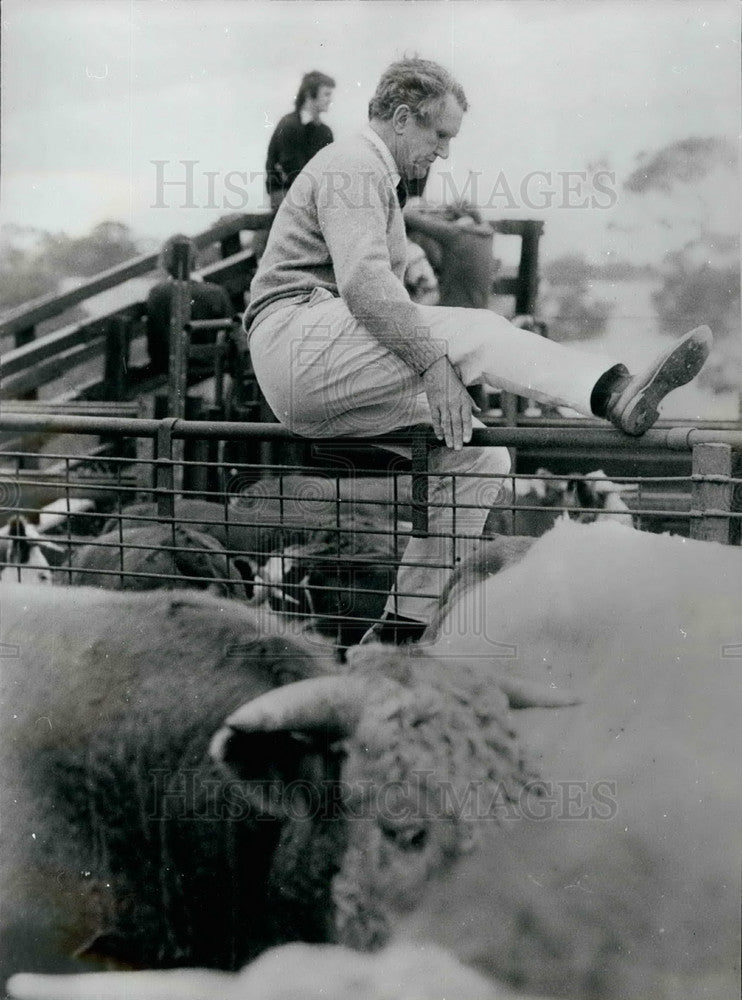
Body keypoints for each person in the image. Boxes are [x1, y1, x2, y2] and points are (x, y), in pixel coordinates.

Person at [243, 57, 712, 645]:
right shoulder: (353, 161)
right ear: (404, 118)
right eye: (440, 136)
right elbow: (364, 285)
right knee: (479, 333)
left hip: (313, 363)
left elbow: (376, 281)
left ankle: (398, 634)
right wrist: (433, 366)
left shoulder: (376, 179)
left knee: (476, 456)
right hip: (297, 338)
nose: (442, 152)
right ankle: (615, 392)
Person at [145, 235, 232, 377]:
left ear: (165, 262)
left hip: (169, 372)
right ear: (195, 259)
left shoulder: (157, 294)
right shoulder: (217, 293)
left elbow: (155, 343)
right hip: (213, 371)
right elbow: (231, 337)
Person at [265, 70, 336, 211]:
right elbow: (293, 170)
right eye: (326, 94)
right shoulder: (289, 125)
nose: (330, 100)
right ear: (310, 95)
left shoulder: (325, 132)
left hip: (312, 195)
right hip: (285, 193)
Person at [404, 200, 497, 309]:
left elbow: (411, 218)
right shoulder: (485, 235)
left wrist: (412, 205)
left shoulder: (456, 234)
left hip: (456, 308)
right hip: (480, 307)